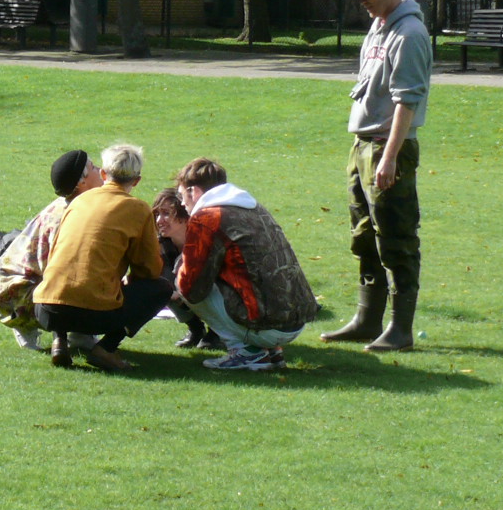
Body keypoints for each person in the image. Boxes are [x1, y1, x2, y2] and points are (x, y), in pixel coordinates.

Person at [320, 0, 431, 352]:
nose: (361, 1)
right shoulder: (378, 26)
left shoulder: (410, 34)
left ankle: (400, 329)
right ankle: (368, 320)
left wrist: (389, 158)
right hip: (363, 144)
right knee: (363, 235)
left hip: (388, 148)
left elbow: (407, 102)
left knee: (396, 238)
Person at [32, 143, 170, 371]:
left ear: (104, 174)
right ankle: (106, 348)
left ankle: (60, 340)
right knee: (160, 289)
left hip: (45, 309)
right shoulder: (138, 209)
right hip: (93, 314)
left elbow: (56, 254)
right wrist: (128, 279)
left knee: (62, 274)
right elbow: (150, 270)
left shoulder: (78, 201)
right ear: (136, 181)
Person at [170, 158, 318, 371]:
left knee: (182, 279)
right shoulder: (253, 207)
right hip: (296, 320)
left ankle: (246, 351)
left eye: (181, 195)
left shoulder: (207, 217)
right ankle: (270, 351)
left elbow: (191, 288)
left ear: (193, 191)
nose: (182, 203)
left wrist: (180, 266)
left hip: (267, 325)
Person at [0, 149, 103, 350]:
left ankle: (73, 332)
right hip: (17, 293)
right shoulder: (71, 216)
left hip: (11, 286)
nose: (101, 170)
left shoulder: (70, 204)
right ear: (81, 182)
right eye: (94, 167)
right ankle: (62, 331)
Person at [151, 189, 218, 351]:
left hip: (211, 293)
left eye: (166, 214)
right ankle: (195, 328)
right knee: (161, 282)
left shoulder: (203, 240)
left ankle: (217, 332)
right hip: (184, 293)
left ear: (184, 215)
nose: (159, 220)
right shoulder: (160, 244)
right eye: (157, 214)